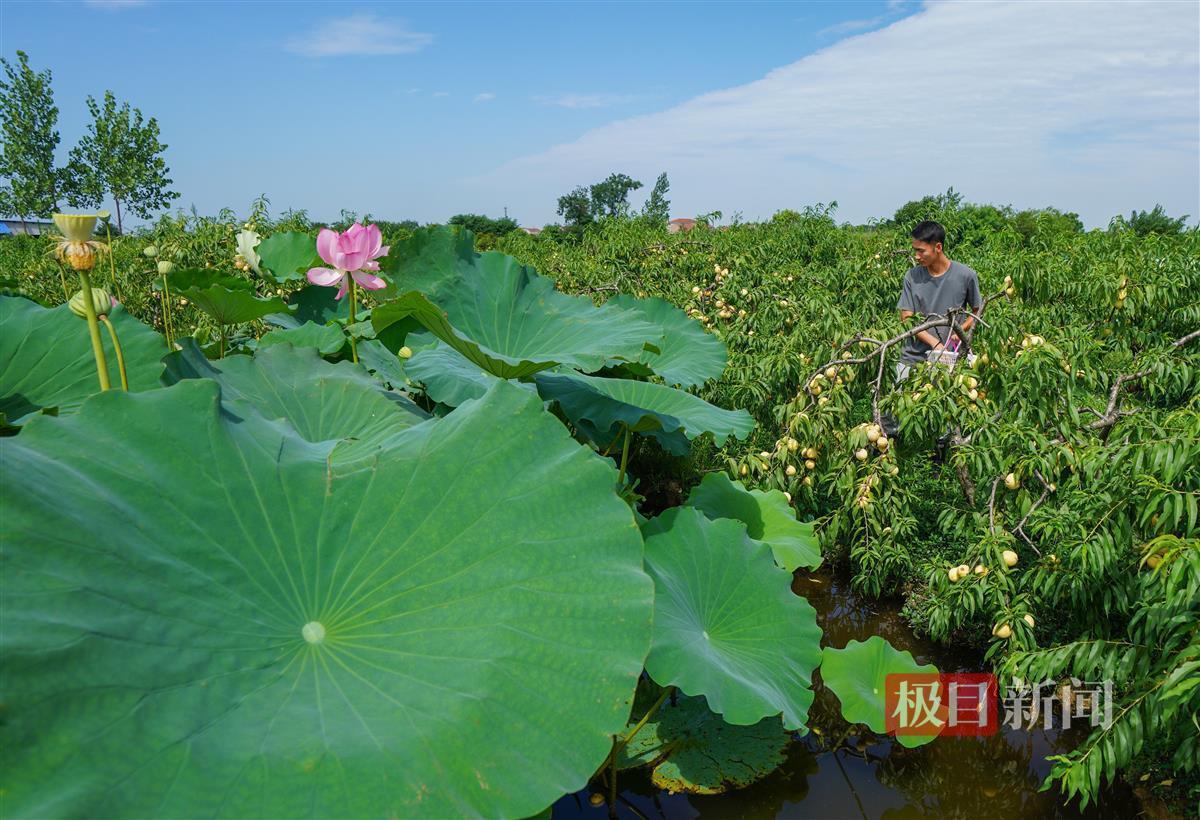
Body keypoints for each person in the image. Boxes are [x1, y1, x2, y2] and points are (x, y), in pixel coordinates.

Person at [881, 221, 983, 449]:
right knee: (894, 408)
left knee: (944, 411)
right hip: (914, 355)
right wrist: (936, 342)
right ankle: (887, 455)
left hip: (950, 357)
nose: (916, 256)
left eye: (920, 251)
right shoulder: (912, 276)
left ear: (938, 247)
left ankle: (937, 461)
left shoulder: (965, 275)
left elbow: (977, 310)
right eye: (914, 250)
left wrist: (961, 331)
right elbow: (907, 318)